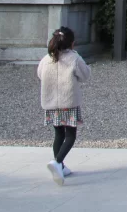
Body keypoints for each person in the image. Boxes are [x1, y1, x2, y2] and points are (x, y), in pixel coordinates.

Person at [37, 26, 91, 186]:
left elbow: (39, 74)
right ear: (72, 44)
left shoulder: (46, 58)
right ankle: (57, 162)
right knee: (70, 135)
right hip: (68, 101)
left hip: (51, 102)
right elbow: (85, 75)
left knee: (58, 134)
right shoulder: (74, 58)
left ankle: (60, 165)